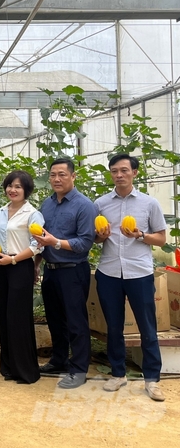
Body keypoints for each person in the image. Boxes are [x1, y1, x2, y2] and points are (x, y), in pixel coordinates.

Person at [94, 153, 166, 401]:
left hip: (139, 272)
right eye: (114, 171)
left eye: (124, 170)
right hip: (109, 271)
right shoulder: (101, 204)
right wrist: (100, 237)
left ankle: (152, 379)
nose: (119, 175)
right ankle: (117, 373)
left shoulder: (149, 204)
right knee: (114, 326)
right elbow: (95, 237)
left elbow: (161, 238)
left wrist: (139, 235)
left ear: (134, 172)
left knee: (147, 327)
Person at [33, 158, 97, 389]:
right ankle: (59, 359)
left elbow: (85, 242)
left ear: (73, 176)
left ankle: (79, 369)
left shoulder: (84, 205)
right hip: (51, 271)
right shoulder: (47, 204)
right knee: (55, 319)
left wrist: (56, 242)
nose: (56, 179)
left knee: (76, 321)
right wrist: (37, 262)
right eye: (53, 175)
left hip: (72, 271)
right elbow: (41, 238)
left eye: (62, 174)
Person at [0, 171, 44, 384]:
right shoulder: (2, 211)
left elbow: (38, 245)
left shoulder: (32, 213)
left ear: (26, 190)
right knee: (4, 316)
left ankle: (27, 371)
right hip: (2, 266)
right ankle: (10, 367)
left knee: (19, 318)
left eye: (18, 187)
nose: (13, 190)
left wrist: (12, 260)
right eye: (10, 185)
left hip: (20, 266)